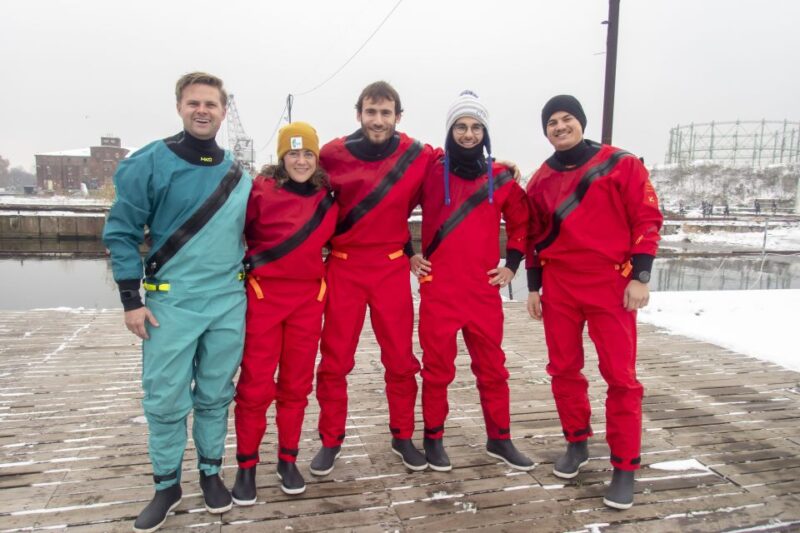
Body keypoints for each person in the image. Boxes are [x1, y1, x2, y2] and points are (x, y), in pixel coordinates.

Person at [102, 72, 251, 532]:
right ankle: (167, 485)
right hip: (171, 303)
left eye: (211, 103)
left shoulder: (239, 175)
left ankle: (210, 473)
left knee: (215, 395)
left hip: (228, 301)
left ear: (224, 111)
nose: (202, 110)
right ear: (180, 107)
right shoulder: (148, 162)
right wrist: (131, 299)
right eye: (193, 103)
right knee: (165, 400)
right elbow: (121, 233)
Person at [525, 95, 663, 510]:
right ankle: (577, 442)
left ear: (581, 123)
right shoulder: (540, 179)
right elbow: (533, 236)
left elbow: (647, 218)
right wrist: (534, 287)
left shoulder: (621, 164)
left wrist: (640, 275)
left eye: (567, 118)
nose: (560, 126)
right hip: (560, 287)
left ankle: (624, 464)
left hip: (610, 283)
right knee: (563, 369)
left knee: (620, 377)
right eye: (552, 121)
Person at [311, 81, 439, 475]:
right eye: (371, 111)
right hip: (344, 268)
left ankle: (403, 435)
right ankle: (330, 439)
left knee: (401, 360)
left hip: (390, 268)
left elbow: (458, 172)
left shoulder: (418, 154)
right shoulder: (332, 154)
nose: (378, 120)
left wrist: (503, 169)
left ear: (398, 116)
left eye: (386, 113)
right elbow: (298, 183)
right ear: (359, 113)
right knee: (334, 361)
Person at [410, 91, 533, 472]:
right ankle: (434, 438)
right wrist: (408, 251)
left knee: (493, 369)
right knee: (437, 369)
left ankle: (499, 438)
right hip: (439, 290)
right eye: (460, 127)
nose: (468, 134)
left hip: (483, 291)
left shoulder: (500, 176)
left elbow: (522, 222)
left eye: (476, 127)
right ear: (450, 130)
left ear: (485, 132)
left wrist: (512, 263)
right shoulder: (430, 170)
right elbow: (393, 207)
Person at [231, 122, 338, 503]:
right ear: (281, 157)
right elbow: (230, 233)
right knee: (255, 385)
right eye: (293, 153)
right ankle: (246, 465)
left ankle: (287, 459)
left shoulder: (328, 196)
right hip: (264, 298)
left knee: (296, 385)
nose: (301, 160)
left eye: (308, 153)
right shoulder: (259, 190)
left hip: (308, 302)